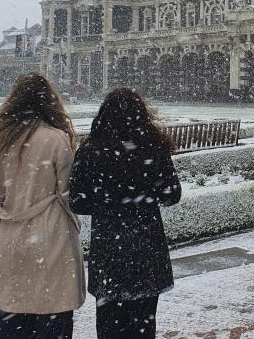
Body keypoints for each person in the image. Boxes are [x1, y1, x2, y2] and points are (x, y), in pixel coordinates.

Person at [0, 72, 86, 339]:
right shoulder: (56, 138)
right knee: (53, 311)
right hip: (51, 234)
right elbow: (67, 191)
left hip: (11, 235)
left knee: (15, 310)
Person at [69, 87, 182, 338]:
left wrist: (107, 204)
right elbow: (172, 194)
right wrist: (143, 199)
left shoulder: (91, 150)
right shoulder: (154, 147)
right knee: (143, 324)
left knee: (109, 325)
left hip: (109, 247)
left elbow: (77, 201)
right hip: (146, 245)